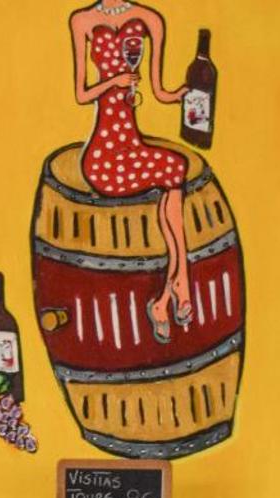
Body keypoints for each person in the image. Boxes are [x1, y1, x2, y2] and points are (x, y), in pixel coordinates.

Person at [70, 0, 191, 342]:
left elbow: (160, 91)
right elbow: (81, 94)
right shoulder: (82, 20)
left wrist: (185, 94)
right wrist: (115, 81)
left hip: (132, 142)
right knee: (173, 176)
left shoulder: (149, 18)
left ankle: (169, 293)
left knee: (176, 170)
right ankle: (177, 286)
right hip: (104, 152)